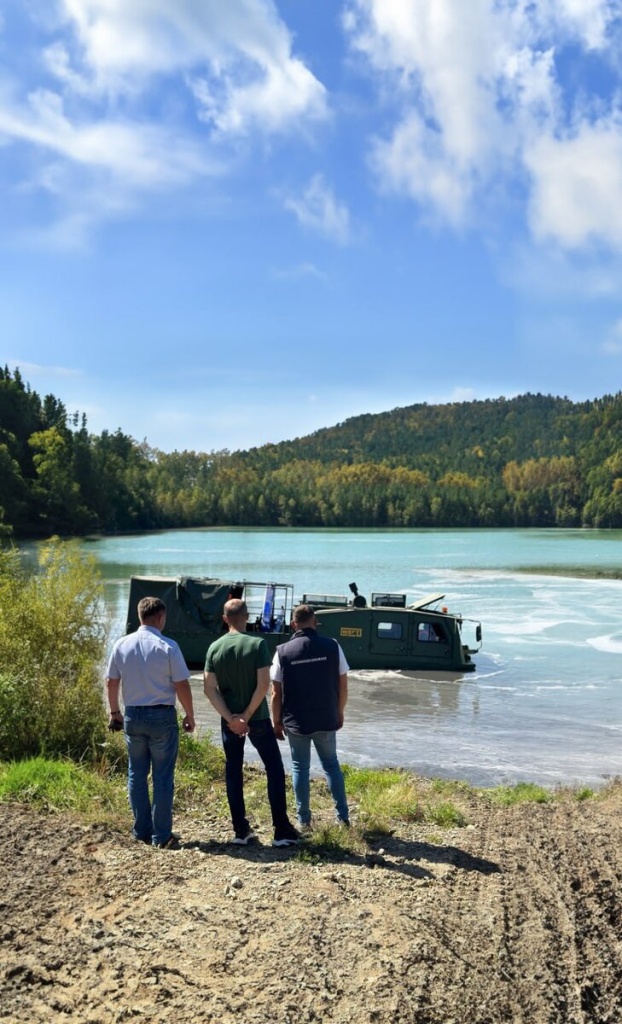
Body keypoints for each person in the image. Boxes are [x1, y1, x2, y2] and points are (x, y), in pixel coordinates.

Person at [203, 598, 300, 847]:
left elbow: (209, 689)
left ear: (225, 619)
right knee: (274, 769)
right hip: (257, 718)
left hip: (229, 722)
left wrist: (231, 718)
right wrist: (246, 715)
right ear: (246, 616)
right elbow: (264, 685)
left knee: (233, 771)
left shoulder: (214, 648)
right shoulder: (257, 644)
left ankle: (240, 831)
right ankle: (281, 830)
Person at [106, 596, 196, 849]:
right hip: (162, 716)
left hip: (133, 715)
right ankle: (162, 835)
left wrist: (114, 713)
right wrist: (189, 714)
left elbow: (111, 681)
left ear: (139, 617)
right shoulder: (168, 646)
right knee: (163, 777)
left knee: (136, 773)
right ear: (160, 618)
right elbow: (181, 684)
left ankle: (141, 830)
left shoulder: (121, 645)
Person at [270, 603, 350, 829]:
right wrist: (340, 711)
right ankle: (343, 818)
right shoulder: (333, 646)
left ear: (293, 624)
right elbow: (343, 685)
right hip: (326, 717)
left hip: (296, 721)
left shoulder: (282, 651)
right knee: (331, 766)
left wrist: (276, 722)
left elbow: (276, 693)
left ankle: (304, 821)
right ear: (315, 623)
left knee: (300, 768)